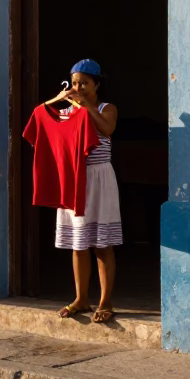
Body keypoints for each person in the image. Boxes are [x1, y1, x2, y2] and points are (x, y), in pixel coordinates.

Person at [44, 59, 121, 322]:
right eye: (75, 83)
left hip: (99, 178)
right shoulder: (66, 112)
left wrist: (88, 107)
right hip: (75, 179)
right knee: (78, 244)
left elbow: (107, 128)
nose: (79, 87)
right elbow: (40, 118)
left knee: (102, 243)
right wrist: (57, 100)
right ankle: (81, 299)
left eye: (84, 83)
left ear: (96, 85)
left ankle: (105, 300)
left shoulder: (106, 108)